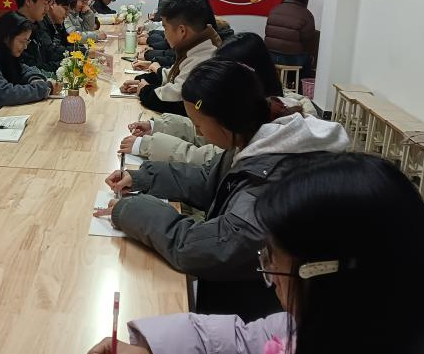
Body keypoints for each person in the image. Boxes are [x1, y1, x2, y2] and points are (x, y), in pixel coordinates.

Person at [88, 153, 424, 354]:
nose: (271, 282)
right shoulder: (352, 319)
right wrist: (153, 349)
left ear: (331, 278)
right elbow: (248, 340)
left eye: (274, 268)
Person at [95, 60, 349, 320]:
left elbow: (200, 248)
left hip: (252, 315)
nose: (199, 133)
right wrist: (143, 178)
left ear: (225, 120)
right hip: (237, 295)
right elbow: (210, 179)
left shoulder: (269, 182)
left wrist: (129, 209)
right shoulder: (255, 138)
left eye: (199, 125)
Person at [121, 33, 317, 165]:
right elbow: (205, 130)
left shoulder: (275, 126)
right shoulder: (250, 106)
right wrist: (158, 126)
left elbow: (212, 158)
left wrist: (149, 145)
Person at [121, 0, 221, 116]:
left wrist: (145, 90)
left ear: (182, 31)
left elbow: (176, 101)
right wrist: (144, 80)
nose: (165, 35)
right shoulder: (197, 46)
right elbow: (175, 74)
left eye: (165, 28)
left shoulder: (203, 58)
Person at [264, 0, 317, 75]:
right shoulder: (306, 15)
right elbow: (308, 43)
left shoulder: (275, 9)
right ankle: (300, 83)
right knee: (309, 58)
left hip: (269, 56)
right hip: (291, 60)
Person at [14, 0, 59, 74]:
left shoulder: (37, 24)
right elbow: (32, 68)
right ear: (28, 1)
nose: (47, 9)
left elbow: (49, 53)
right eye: (45, 3)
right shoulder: (16, 30)